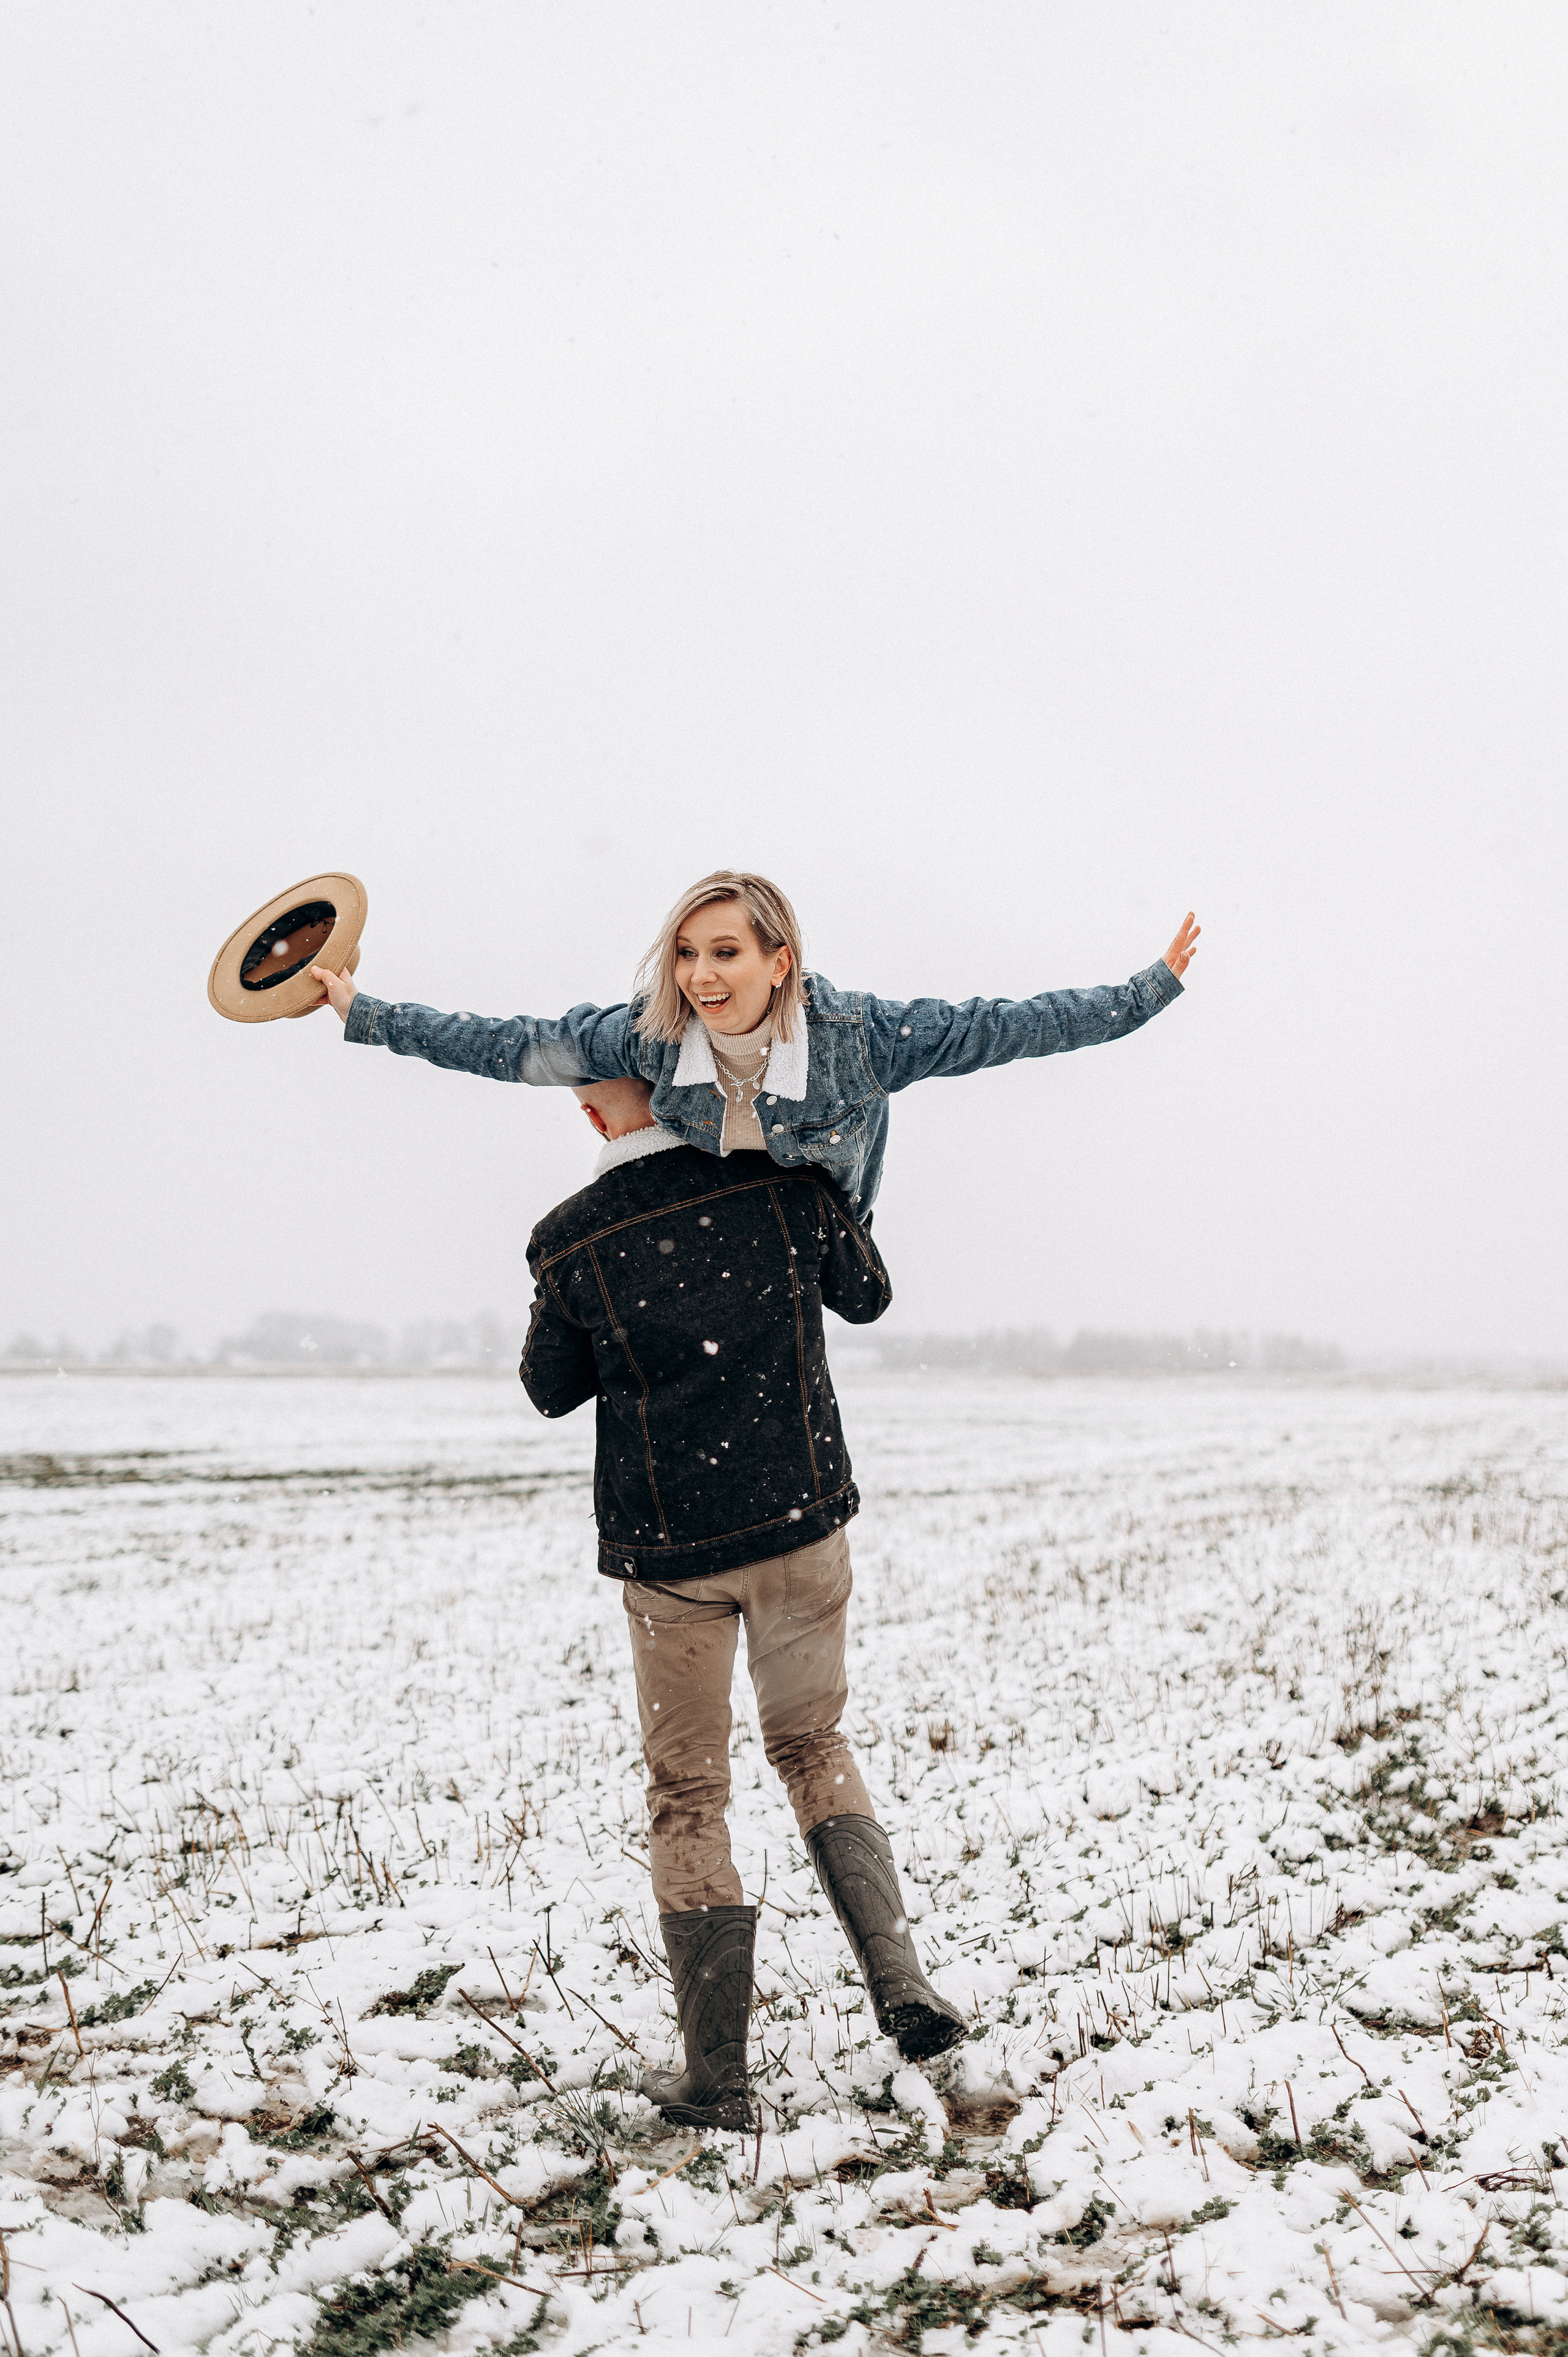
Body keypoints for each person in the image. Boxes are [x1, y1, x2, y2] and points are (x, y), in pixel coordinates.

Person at [518, 1069, 963, 2131]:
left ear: (592, 1112)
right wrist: (818, 1176)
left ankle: (717, 2080)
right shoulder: (783, 1184)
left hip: (673, 1552)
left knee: (688, 1794)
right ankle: (900, 1982)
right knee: (813, 1746)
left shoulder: (573, 1234)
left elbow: (548, 1387)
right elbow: (868, 1294)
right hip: (801, 1524)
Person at [309, 873, 1199, 1214]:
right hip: (716, 1233)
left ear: (781, 963)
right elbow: (516, 1047)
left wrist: (1145, 992)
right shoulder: (651, 1040)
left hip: (817, 1235)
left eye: (726, 952)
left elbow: (1009, 1026)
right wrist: (370, 1014)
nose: (700, 976)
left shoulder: (863, 1042)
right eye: (688, 953)